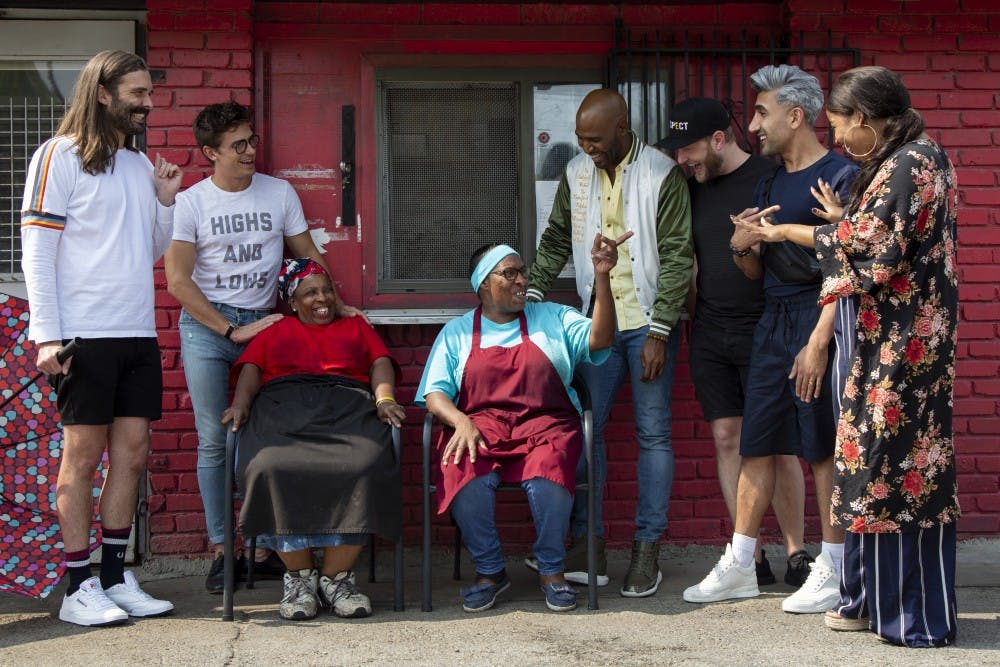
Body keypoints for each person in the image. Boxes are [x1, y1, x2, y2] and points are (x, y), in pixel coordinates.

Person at [735, 66, 960, 647]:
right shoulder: (904, 158)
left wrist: (788, 233)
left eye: (838, 125)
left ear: (862, 117)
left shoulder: (912, 161)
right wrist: (844, 224)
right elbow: (876, 235)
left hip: (904, 347)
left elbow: (874, 249)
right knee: (868, 462)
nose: (836, 138)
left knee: (892, 468)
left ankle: (907, 615)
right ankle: (866, 597)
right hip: (889, 339)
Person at [165, 101, 361, 593]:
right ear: (211, 152)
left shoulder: (278, 192)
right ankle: (222, 552)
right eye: (238, 145)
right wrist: (229, 331)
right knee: (215, 440)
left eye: (251, 140)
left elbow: (307, 254)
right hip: (208, 329)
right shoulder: (191, 203)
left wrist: (334, 303)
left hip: (266, 324)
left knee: (270, 434)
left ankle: (269, 549)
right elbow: (178, 281)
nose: (250, 151)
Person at [683, 65, 856, 614]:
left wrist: (820, 340)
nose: (754, 125)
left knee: (821, 446)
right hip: (772, 319)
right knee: (756, 440)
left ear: (796, 116)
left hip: (820, 316)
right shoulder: (769, 181)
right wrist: (742, 246)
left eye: (762, 113)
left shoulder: (841, 176)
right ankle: (740, 564)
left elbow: (850, 267)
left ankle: (835, 567)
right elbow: (758, 271)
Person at [20, 50, 181, 626]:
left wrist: (165, 201)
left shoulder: (138, 166)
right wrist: (46, 336)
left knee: (132, 455)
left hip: (136, 332)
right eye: (138, 93)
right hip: (82, 336)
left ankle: (114, 577)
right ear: (103, 93)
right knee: (82, 456)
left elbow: (150, 248)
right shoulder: (57, 156)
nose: (148, 103)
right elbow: (37, 251)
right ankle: (77, 586)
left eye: (149, 92)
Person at [527, 88, 693, 597]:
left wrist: (661, 331)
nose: (587, 148)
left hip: (647, 323)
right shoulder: (576, 172)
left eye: (595, 140)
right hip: (595, 322)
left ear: (623, 129)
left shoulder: (662, 173)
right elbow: (557, 237)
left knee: (653, 434)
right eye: (580, 139)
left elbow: (678, 255)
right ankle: (589, 546)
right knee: (585, 430)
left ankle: (646, 549)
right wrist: (531, 295)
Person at [416, 236, 622, 613]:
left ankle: (551, 570)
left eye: (522, 272)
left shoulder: (553, 317)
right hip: (481, 427)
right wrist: (460, 420)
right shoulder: (457, 333)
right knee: (460, 466)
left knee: (549, 471)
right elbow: (434, 394)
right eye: (509, 274)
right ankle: (490, 572)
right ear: (483, 284)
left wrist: (602, 278)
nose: (522, 280)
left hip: (547, 425)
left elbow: (600, 338)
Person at [655, 97, 807, 587]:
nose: (682, 160)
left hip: (766, 327)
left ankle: (797, 553)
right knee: (727, 438)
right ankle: (750, 556)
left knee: (778, 443)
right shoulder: (689, 188)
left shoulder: (768, 177)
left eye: (689, 149)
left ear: (719, 139)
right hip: (709, 330)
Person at [222, 258, 404, 621]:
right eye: (310, 293)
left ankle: (336, 580)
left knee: (366, 465)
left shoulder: (355, 326)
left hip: (347, 407)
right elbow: (251, 369)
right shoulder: (276, 330)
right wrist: (240, 405)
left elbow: (380, 362)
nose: (322, 299)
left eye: (327, 290)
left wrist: (384, 399)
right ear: (292, 301)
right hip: (284, 410)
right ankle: (300, 580)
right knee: (269, 465)